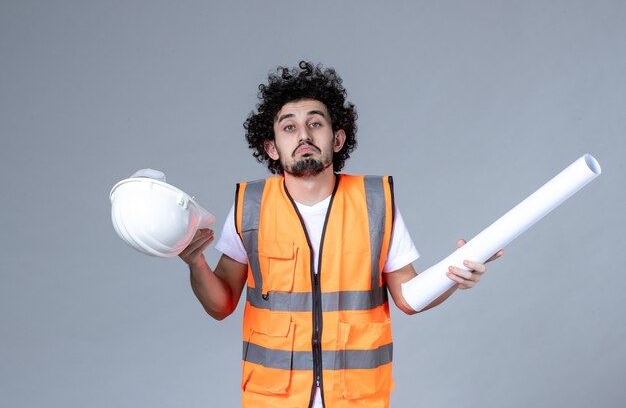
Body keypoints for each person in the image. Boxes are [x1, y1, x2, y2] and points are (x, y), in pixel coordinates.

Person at [179, 61, 502, 408]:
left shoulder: (375, 203)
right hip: (272, 399)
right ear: (272, 147)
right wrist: (195, 262)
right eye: (289, 127)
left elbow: (409, 298)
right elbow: (221, 304)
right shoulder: (251, 206)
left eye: (315, 123)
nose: (303, 135)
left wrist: (455, 274)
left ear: (337, 138)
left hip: (357, 399)